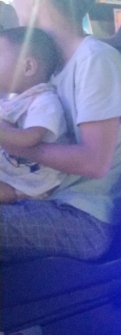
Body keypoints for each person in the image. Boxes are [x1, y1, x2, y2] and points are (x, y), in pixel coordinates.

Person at [0, 0, 121, 262]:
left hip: (84, 220)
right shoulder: (50, 67)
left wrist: (15, 144)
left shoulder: (95, 61)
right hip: (49, 200)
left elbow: (94, 162)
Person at [0, 26, 66, 203]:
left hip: (28, 181)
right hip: (10, 169)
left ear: (28, 67)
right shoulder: (17, 99)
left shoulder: (45, 101)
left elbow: (29, 139)